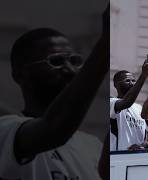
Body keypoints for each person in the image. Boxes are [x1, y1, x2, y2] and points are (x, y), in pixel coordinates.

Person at [0, 3, 108, 180]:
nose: (70, 70)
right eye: (56, 61)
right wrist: (105, 45)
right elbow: (54, 129)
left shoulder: (92, 146)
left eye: (74, 61)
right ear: (20, 75)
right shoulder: (6, 131)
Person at [110, 61, 148, 151]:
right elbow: (127, 102)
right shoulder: (112, 102)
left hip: (137, 159)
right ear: (116, 85)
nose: (132, 83)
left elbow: (147, 133)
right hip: (119, 159)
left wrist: (143, 145)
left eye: (133, 80)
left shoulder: (139, 108)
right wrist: (143, 75)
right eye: (127, 80)